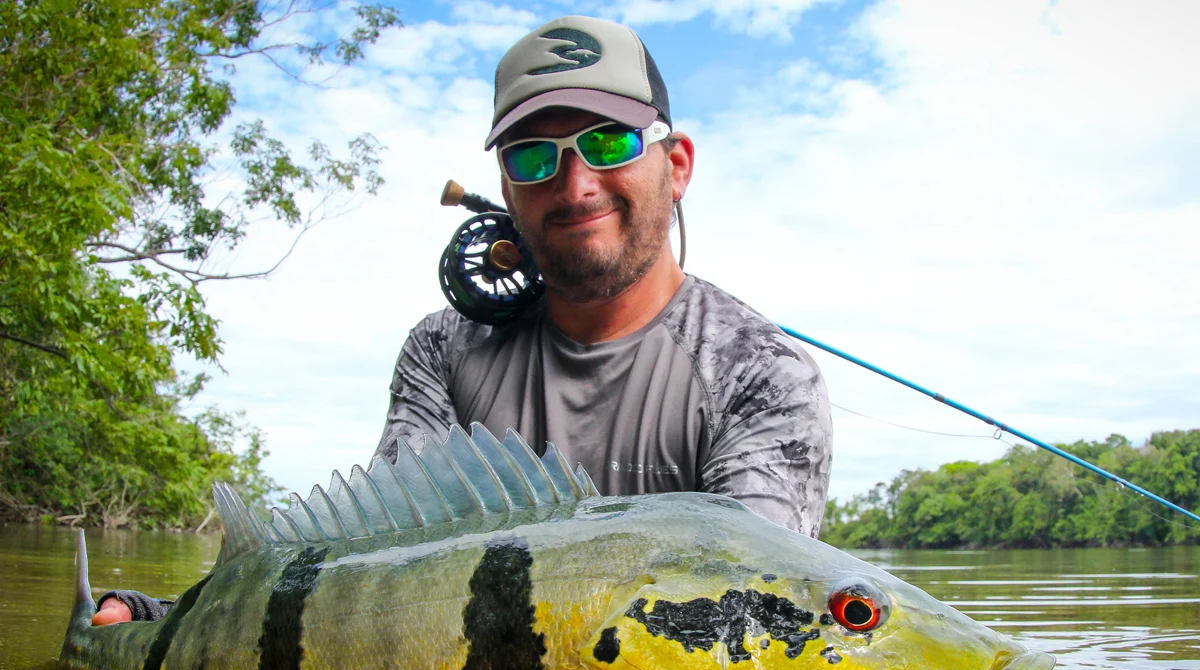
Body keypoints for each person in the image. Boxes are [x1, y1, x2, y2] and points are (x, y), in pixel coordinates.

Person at [93, 14, 832, 627]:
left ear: (677, 166)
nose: (574, 185)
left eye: (609, 142)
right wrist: (164, 620)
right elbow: (371, 574)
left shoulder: (765, 377)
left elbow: (752, 623)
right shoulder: (444, 349)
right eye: (533, 155)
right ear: (507, 190)